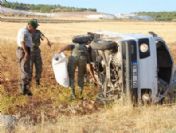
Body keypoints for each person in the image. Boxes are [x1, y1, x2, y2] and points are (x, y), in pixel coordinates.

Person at [58, 35, 96, 100]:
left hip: (73, 58)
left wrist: (60, 51)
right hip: (83, 59)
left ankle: (73, 94)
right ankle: (80, 94)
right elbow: (89, 65)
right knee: (81, 77)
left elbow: (67, 46)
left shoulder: (74, 45)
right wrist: (93, 76)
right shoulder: (86, 48)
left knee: (71, 76)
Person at [16, 20, 36, 96]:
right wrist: (26, 52)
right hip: (23, 51)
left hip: (26, 50)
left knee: (26, 69)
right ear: (29, 26)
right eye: (34, 28)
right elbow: (22, 42)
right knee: (25, 70)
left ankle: (25, 90)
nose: (34, 30)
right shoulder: (23, 31)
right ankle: (24, 91)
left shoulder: (27, 32)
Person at [30, 19, 51, 86]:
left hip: (37, 51)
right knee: (29, 68)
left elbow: (43, 37)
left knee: (39, 67)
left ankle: (37, 82)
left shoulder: (38, 32)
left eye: (36, 26)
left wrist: (47, 41)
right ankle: (28, 83)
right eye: (35, 26)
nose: (36, 27)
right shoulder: (26, 32)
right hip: (29, 51)